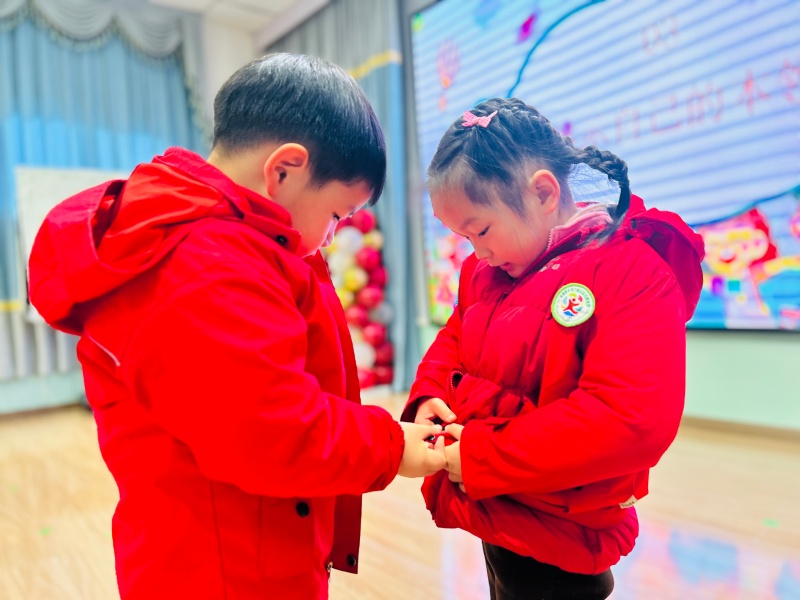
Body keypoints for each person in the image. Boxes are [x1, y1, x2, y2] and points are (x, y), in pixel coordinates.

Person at [28, 53, 445, 600]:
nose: (331, 237)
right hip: (230, 568)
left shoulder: (208, 234)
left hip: (221, 543)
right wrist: (391, 445)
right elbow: (275, 432)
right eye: (337, 215)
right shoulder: (209, 264)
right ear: (283, 170)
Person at [402, 98, 705, 600]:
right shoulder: (487, 271)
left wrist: (480, 455)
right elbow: (455, 336)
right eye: (464, 237)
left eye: (481, 230)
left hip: (564, 526)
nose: (479, 251)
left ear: (543, 192)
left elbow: (626, 420)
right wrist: (430, 392)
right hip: (496, 504)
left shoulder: (630, 271)